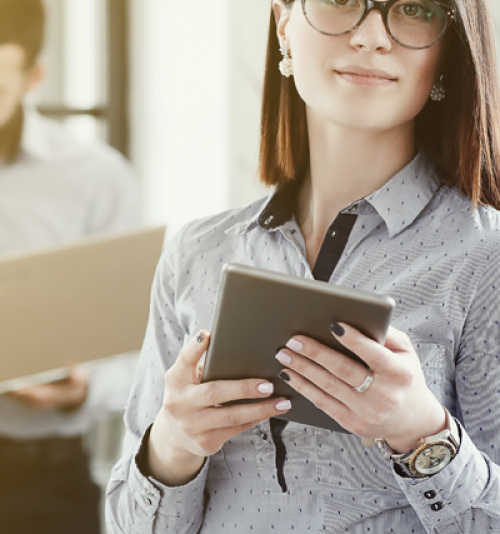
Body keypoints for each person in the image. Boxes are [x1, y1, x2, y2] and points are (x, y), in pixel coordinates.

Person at [106, 0, 500, 532]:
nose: (371, 36)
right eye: (341, 1)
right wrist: (174, 445)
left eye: (412, 8)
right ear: (283, 23)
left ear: (446, 50)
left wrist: (422, 435)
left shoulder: (485, 259)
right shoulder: (195, 252)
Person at [0, 1, 142, 533]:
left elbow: (142, 358)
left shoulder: (95, 179)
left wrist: (83, 389)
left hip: (37, 482)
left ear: (34, 77)